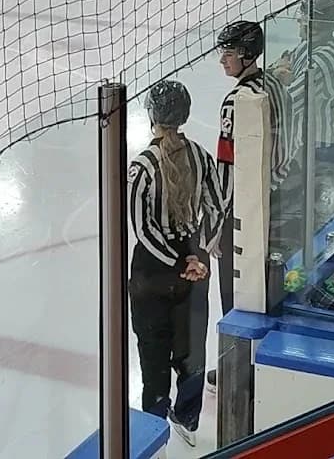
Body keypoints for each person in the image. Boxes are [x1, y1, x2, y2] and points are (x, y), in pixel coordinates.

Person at [128, 79, 225, 447]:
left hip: (153, 274)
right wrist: (196, 257)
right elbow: (216, 208)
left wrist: (174, 261)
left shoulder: (143, 167)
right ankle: (188, 417)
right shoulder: (201, 155)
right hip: (194, 269)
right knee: (191, 349)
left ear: (153, 116)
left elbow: (143, 227)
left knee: (153, 351)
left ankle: (153, 430)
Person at [208, 20, 293, 390]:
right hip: (279, 202)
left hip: (242, 214)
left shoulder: (236, 103)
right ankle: (264, 366)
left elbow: (228, 170)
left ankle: (236, 373)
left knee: (237, 298)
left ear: (244, 55)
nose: (222, 61)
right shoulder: (275, 84)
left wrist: (213, 228)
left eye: (227, 54)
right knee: (269, 290)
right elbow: (287, 152)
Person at [274, 0, 334, 230]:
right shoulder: (308, 46)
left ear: (317, 23)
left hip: (324, 152)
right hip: (307, 147)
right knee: (300, 212)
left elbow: (290, 100)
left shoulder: (324, 58)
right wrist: (280, 73)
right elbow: (280, 66)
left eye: (304, 19)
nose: (300, 23)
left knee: (322, 220)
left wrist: (282, 79)